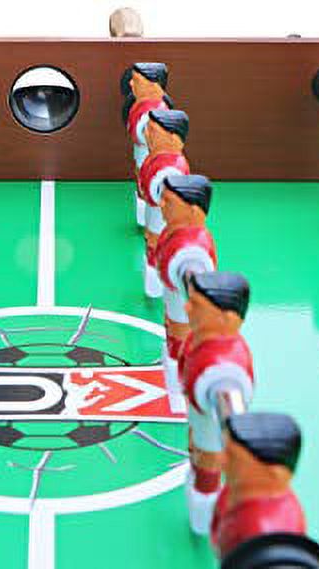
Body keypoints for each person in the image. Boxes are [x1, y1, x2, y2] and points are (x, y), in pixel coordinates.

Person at [180, 271, 254, 534]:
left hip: (207, 428)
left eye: (196, 305)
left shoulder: (224, 369)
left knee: (206, 466)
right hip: (198, 416)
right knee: (198, 453)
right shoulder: (198, 341)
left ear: (226, 319)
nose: (186, 308)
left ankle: (205, 518)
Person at [154, 174, 217, 410]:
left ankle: (180, 385)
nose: (161, 204)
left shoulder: (193, 252)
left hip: (181, 319)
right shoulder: (173, 234)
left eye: (168, 201)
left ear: (192, 210)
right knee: (175, 327)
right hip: (173, 305)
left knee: (180, 330)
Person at [211, 413, 307, 560]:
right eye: (224, 450)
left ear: (273, 474)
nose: (220, 461)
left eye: (232, 457)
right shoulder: (237, 487)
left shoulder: (265, 532)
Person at [138, 109, 190, 297]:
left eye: (153, 131)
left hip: (160, 219)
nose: (146, 133)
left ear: (173, 138)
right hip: (154, 214)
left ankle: (155, 280)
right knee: (152, 241)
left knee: (156, 243)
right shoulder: (156, 159)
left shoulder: (171, 169)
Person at [122, 62, 171, 226]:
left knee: (148, 180)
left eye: (137, 81)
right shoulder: (139, 105)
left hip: (149, 154)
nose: (131, 83)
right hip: (141, 151)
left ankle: (150, 219)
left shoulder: (157, 110)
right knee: (141, 176)